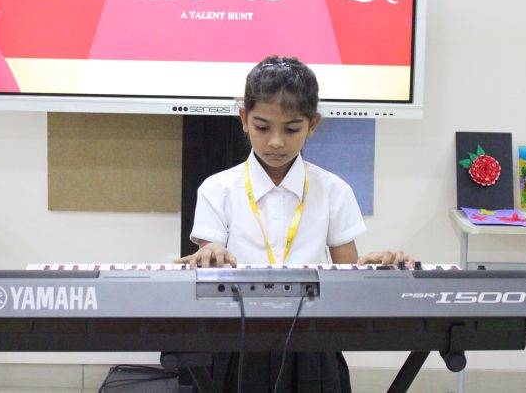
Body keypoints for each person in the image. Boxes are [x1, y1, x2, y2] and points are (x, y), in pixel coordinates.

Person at [176, 55, 411, 392]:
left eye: (291, 129)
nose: (275, 141)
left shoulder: (333, 190)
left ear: (313, 124)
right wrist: (211, 253)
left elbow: (349, 275)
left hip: (314, 341)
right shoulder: (217, 189)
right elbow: (210, 262)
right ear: (243, 119)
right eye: (262, 127)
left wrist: (376, 267)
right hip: (238, 343)